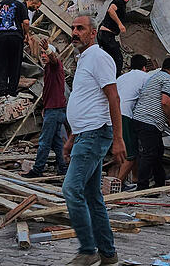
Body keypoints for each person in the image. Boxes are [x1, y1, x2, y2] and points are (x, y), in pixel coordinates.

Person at [62, 15, 125, 266]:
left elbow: (114, 98)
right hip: (85, 134)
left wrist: (118, 138)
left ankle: (88, 250)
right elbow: (88, 102)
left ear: (93, 33)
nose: (75, 32)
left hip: (95, 134)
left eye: (80, 28)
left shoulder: (99, 58)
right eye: (73, 28)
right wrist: (71, 138)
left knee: (71, 189)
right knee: (92, 196)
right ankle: (108, 254)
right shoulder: (84, 60)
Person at [131, 56, 170, 190]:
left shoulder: (154, 77)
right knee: (149, 154)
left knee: (158, 152)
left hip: (141, 118)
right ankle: (142, 187)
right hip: (149, 120)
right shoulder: (168, 79)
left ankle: (159, 183)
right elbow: (165, 102)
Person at [23, 44, 68, 177]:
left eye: (45, 53)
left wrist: (49, 51)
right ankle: (62, 168)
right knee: (56, 142)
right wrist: (45, 107)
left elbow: (54, 59)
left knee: (44, 141)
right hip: (53, 109)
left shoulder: (55, 66)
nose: (43, 56)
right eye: (42, 53)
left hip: (54, 110)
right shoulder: (48, 69)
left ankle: (37, 170)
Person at [114, 54, 152, 188]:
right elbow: (148, 99)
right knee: (130, 155)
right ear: (144, 67)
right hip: (125, 115)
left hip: (112, 114)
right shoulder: (145, 77)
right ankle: (117, 185)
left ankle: (135, 179)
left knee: (130, 149)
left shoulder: (121, 78)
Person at [0, 0, 30, 97]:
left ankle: (2, 90)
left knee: (1, 63)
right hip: (16, 37)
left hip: (1, 37)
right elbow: (26, 22)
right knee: (15, 64)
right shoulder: (20, 5)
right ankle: (12, 91)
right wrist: (26, 35)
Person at [98, 0, 131, 75]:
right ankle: (115, 80)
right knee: (118, 59)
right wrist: (120, 24)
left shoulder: (123, 5)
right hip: (106, 34)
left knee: (108, 58)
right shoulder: (119, 1)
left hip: (105, 35)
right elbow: (111, 10)